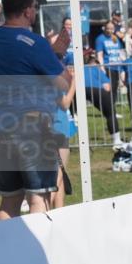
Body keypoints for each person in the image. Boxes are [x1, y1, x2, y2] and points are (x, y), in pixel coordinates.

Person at [0, 0, 72, 219]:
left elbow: (20, 64)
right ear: (28, 11)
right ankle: (38, 253)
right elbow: (62, 82)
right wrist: (58, 58)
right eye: (34, 6)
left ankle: (2, 253)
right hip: (32, 127)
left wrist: (51, 54)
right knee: (38, 197)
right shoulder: (36, 43)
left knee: (10, 199)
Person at [51, 67, 76, 209]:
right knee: (57, 175)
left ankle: (59, 211)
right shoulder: (52, 79)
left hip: (59, 126)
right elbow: (65, 103)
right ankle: (45, 209)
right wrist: (74, 83)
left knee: (60, 176)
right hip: (57, 128)